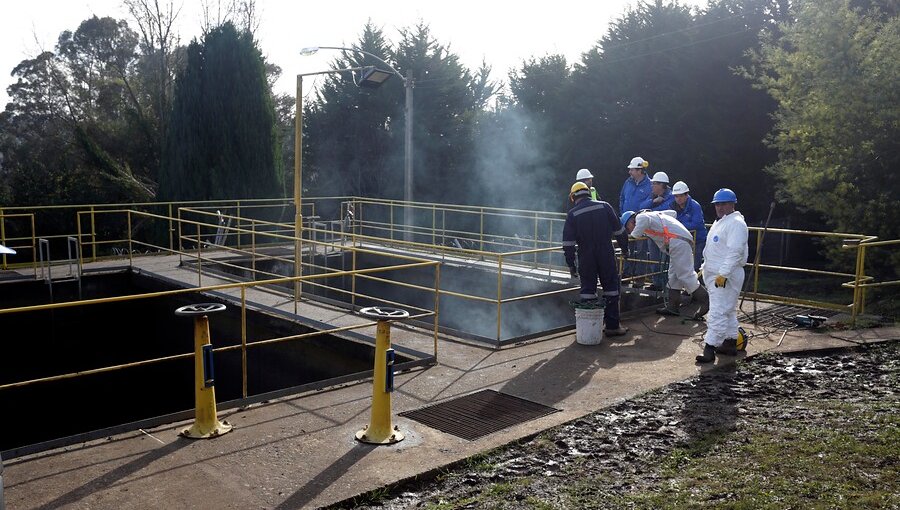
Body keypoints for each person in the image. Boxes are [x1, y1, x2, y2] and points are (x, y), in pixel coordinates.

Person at [563, 182, 629, 337]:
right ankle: (612, 327)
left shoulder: (573, 214)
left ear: (573, 197)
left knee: (588, 291)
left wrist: (571, 264)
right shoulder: (604, 206)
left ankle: (589, 329)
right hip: (606, 253)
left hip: (586, 256)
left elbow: (568, 243)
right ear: (588, 193)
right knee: (611, 289)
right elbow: (619, 231)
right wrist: (625, 249)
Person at [620, 210, 709, 318]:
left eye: (628, 227)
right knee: (673, 277)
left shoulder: (641, 217)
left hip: (678, 243)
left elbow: (635, 235)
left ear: (631, 221)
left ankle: (705, 300)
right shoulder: (652, 215)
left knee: (685, 275)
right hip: (676, 243)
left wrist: (625, 238)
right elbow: (673, 213)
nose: (629, 230)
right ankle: (673, 307)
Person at [696, 188, 748, 363]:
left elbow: (735, 251)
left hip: (725, 275)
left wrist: (724, 274)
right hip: (717, 274)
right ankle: (730, 342)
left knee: (717, 311)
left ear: (732, 204)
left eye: (723, 204)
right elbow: (714, 249)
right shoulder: (721, 222)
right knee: (728, 310)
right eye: (717, 204)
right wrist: (704, 267)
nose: (719, 207)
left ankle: (709, 349)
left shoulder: (736, 224)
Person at [619, 157, 652, 285]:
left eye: (632, 169)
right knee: (627, 248)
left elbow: (650, 203)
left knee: (641, 250)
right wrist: (623, 215)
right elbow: (622, 197)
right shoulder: (628, 182)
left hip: (641, 224)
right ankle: (626, 274)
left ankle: (639, 277)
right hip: (627, 222)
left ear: (639, 170)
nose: (630, 172)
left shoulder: (650, 184)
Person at [639, 171, 675, 290]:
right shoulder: (653, 196)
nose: (652, 186)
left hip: (665, 235)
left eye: (654, 184)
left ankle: (665, 283)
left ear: (662, 185)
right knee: (654, 258)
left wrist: (650, 212)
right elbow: (641, 207)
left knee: (664, 258)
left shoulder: (671, 197)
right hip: (653, 234)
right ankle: (657, 283)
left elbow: (664, 212)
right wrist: (653, 202)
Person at [671, 181, 707, 271]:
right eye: (676, 196)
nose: (678, 199)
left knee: (695, 264)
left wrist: (678, 226)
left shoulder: (695, 206)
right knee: (681, 264)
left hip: (697, 240)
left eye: (681, 196)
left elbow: (696, 224)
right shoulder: (672, 206)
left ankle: (696, 283)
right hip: (683, 240)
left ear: (686, 195)